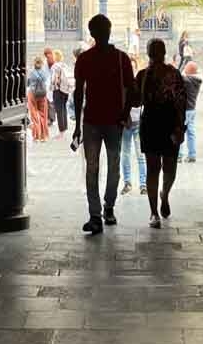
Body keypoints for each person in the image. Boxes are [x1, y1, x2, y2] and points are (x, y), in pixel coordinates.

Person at [72, 14, 134, 235]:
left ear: (92, 34)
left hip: (92, 121)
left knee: (92, 168)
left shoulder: (85, 59)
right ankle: (107, 208)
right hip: (111, 121)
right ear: (108, 31)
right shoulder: (121, 58)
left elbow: (79, 93)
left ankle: (96, 214)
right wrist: (124, 114)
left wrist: (77, 125)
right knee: (113, 166)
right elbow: (132, 89)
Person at [132, 38, 187, 229]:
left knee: (166, 167)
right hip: (155, 124)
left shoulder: (173, 74)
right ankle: (154, 211)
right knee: (157, 167)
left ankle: (164, 195)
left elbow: (181, 101)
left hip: (165, 124)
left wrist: (180, 126)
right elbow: (137, 102)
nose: (155, 55)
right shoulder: (143, 75)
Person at [120, 55, 147, 196]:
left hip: (139, 123)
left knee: (140, 154)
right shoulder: (122, 84)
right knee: (125, 154)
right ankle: (127, 183)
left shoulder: (140, 81)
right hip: (126, 124)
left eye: (133, 66)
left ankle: (143, 184)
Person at [180, 60, 203, 163]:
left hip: (184, 110)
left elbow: (178, 76)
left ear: (188, 70)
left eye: (186, 67)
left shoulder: (188, 81)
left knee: (180, 131)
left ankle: (179, 155)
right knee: (191, 132)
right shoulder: (196, 81)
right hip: (192, 109)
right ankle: (192, 154)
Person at [26, 56, 49, 142]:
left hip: (32, 94)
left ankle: (36, 136)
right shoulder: (44, 72)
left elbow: (28, 83)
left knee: (34, 115)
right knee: (43, 115)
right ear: (42, 63)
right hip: (42, 94)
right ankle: (43, 136)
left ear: (34, 63)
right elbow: (46, 80)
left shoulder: (31, 72)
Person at [50, 48, 69, 138]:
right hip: (65, 90)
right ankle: (64, 128)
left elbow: (54, 79)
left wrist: (51, 86)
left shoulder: (55, 66)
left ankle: (61, 132)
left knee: (59, 110)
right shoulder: (64, 65)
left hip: (58, 90)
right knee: (64, 108)